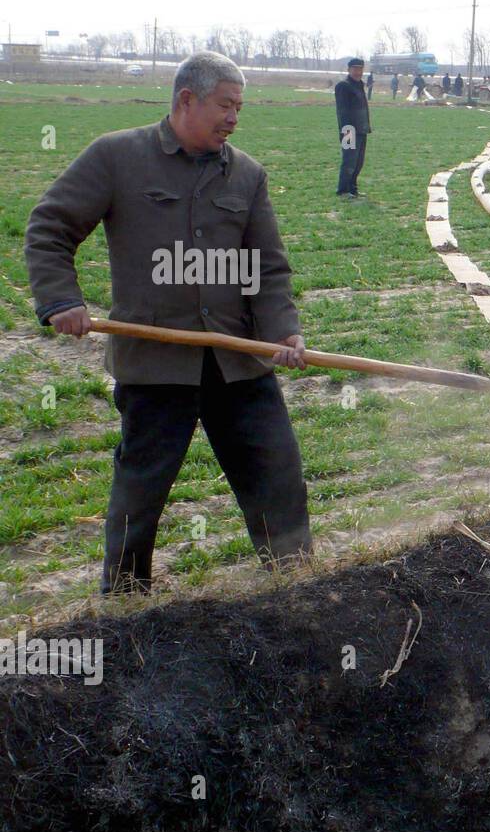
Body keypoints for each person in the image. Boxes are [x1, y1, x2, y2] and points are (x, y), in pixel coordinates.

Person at [24, 50, 312, 595]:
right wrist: (61, 299)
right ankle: (126, 605)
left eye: (239, 107)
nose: (234, 117)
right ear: (186, 99)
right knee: (140, 492)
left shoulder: (246, 175)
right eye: (225, 105)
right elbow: (49, 226)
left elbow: (266, 267)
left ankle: (296, 586)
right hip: (155, 366)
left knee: (278, 476)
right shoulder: (117, 158)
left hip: (238, 362)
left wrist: (282, 332)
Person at [334, 57, 372, 197]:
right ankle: (343, 190)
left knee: (358, 163)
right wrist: (347, 130)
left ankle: (353, 188)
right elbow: (342, 112)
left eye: (360, 69)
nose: (358, 72)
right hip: (348, 130)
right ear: (349, 70)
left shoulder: (360, 85)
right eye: (355, 69)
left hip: (361, 130)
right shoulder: (343, 86)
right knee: (349, 161)